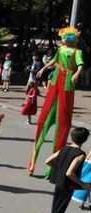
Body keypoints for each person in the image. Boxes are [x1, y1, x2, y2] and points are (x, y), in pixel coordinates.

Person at [30, 27, 85, 177]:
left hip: (67, 80)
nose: (66, 40)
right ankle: (33, 162)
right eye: (65, 38)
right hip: (56, 79)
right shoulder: (61, 49)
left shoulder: (77, 52)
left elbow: (80, 65)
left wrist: (77, 74)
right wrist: (44, 69)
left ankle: (52, 168)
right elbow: (54, 61)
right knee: (44, 117)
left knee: (63, 121)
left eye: (69, 38)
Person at [41, 127, 91, 213]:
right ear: (85, 140)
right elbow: (70, 173)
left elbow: (48, 161)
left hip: (60, 183)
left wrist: (58, 170)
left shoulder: (64, 148)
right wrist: (82, 184)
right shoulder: (80, 154)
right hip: (67, 185)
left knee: (59, 209)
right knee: (56, 211)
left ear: (71, 137)